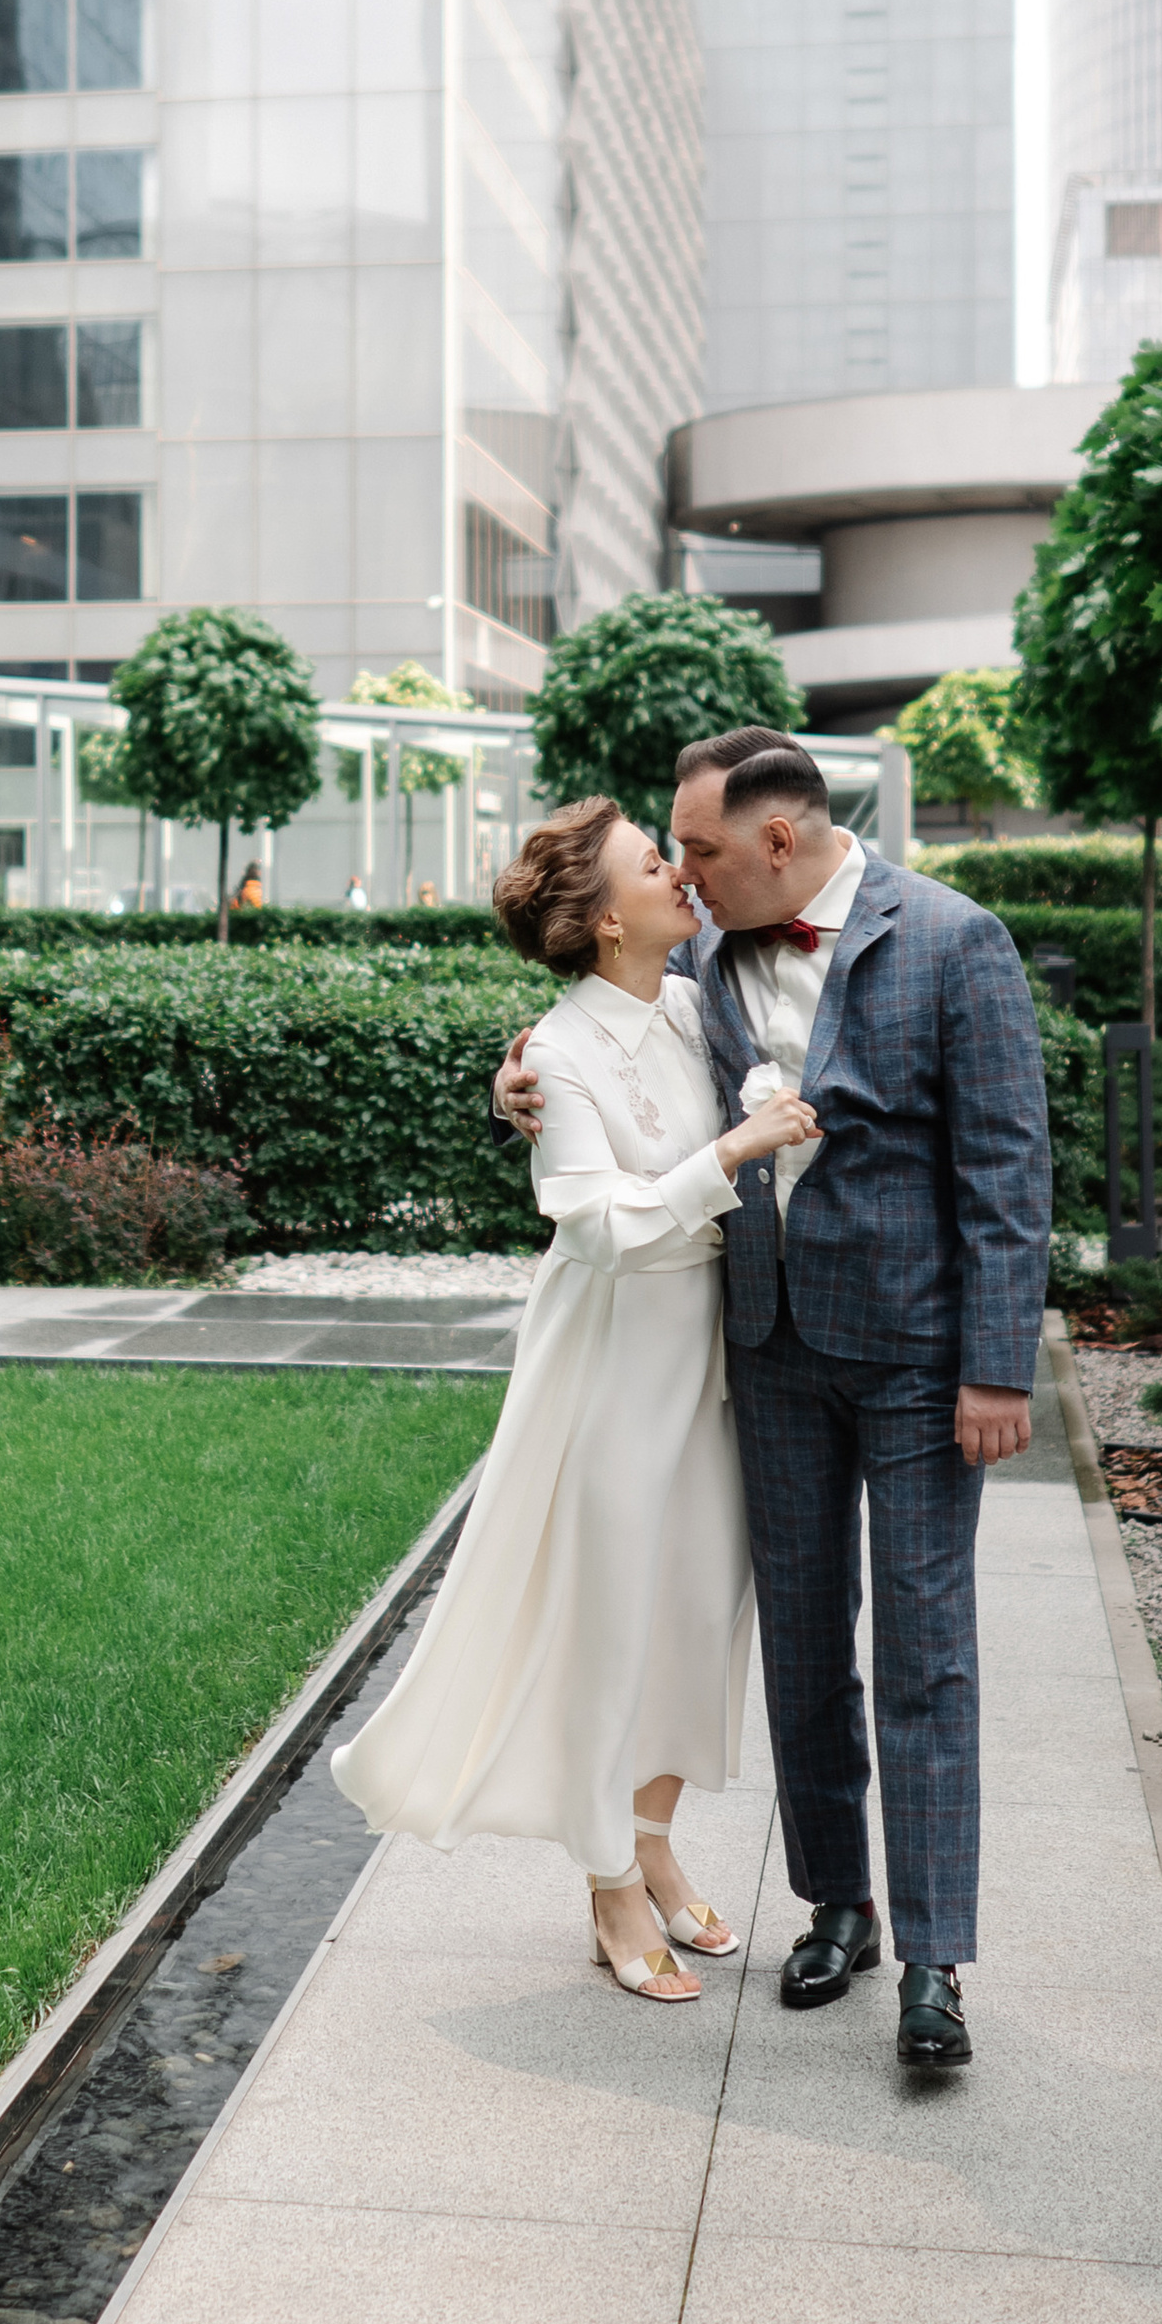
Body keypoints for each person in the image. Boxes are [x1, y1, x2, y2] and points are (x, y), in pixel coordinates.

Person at [495, 729, 1049, 2070]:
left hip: (922, 1360)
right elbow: (590, 1021)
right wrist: (510, 1083)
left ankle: (935, 1961)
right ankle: (837, 1905)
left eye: (699, 848)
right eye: (670, 854)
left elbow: (1006, 1161)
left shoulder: (956, 938)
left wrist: (997, 1366)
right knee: (803, 1650)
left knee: (926, 1656)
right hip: (770, 1351)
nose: (683, 871)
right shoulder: (698, 951)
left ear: (778, 842)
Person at [335, 795, 822, 2002]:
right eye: (657, 864)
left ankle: (651, 1838)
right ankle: (606, 1879)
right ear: (607, 921)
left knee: (699, 1608)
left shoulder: (693, 994)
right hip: (613, 1355)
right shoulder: (554, 1052)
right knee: (610, 1620)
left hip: (711, 1352)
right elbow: (596, 1222)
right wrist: (734, 1153)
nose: (681, 873)